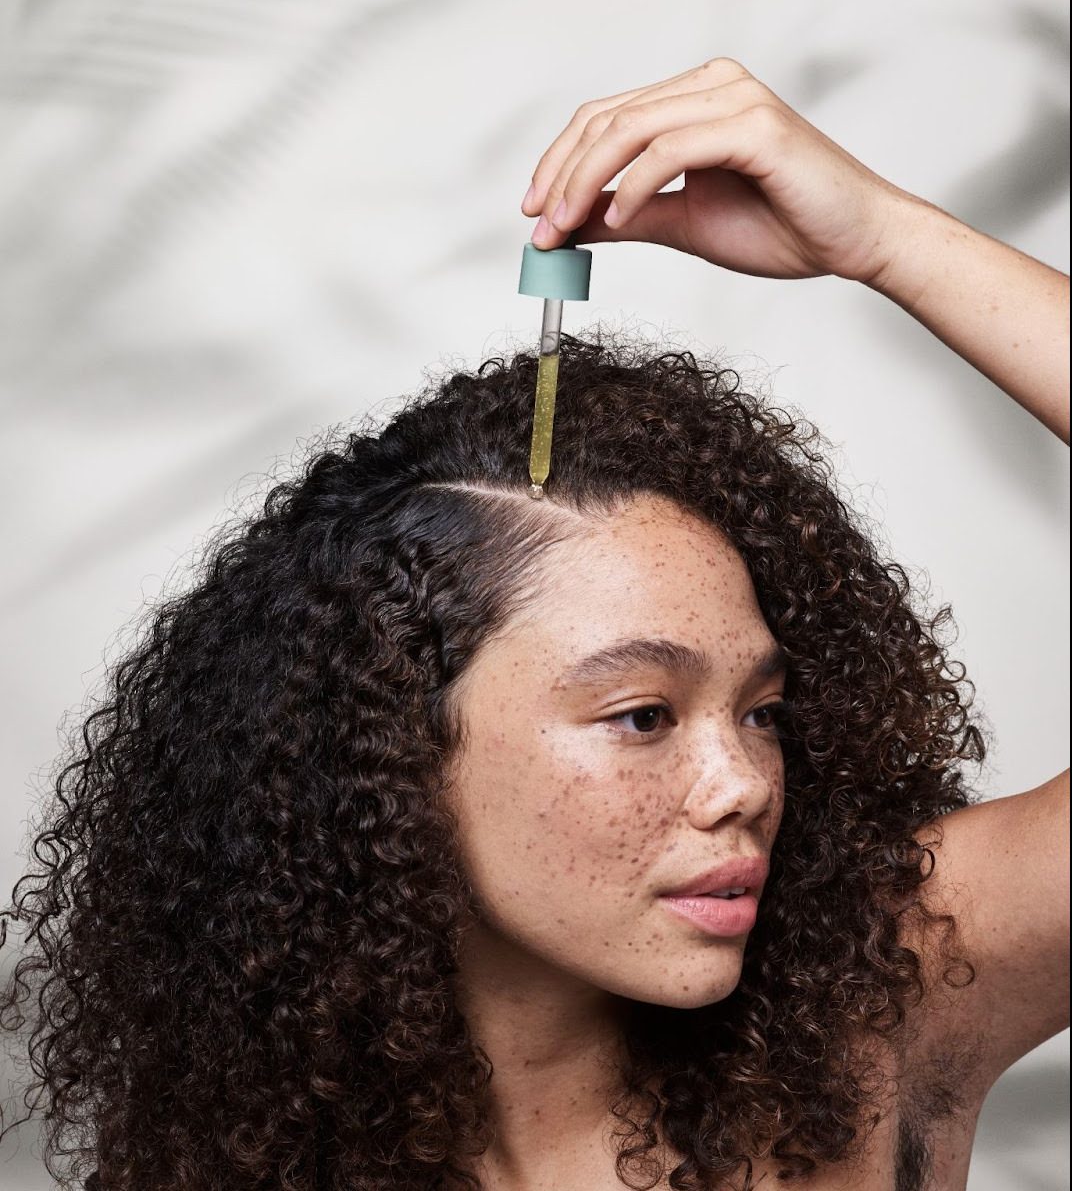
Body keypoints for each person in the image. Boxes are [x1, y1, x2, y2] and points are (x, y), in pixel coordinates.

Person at [1, 57, 1067, 1191]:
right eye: (643, 713)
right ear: (394, 752)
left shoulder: (884, 996)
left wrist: (883, 237)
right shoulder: (240, 1157)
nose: (742, 782)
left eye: (762, 711)